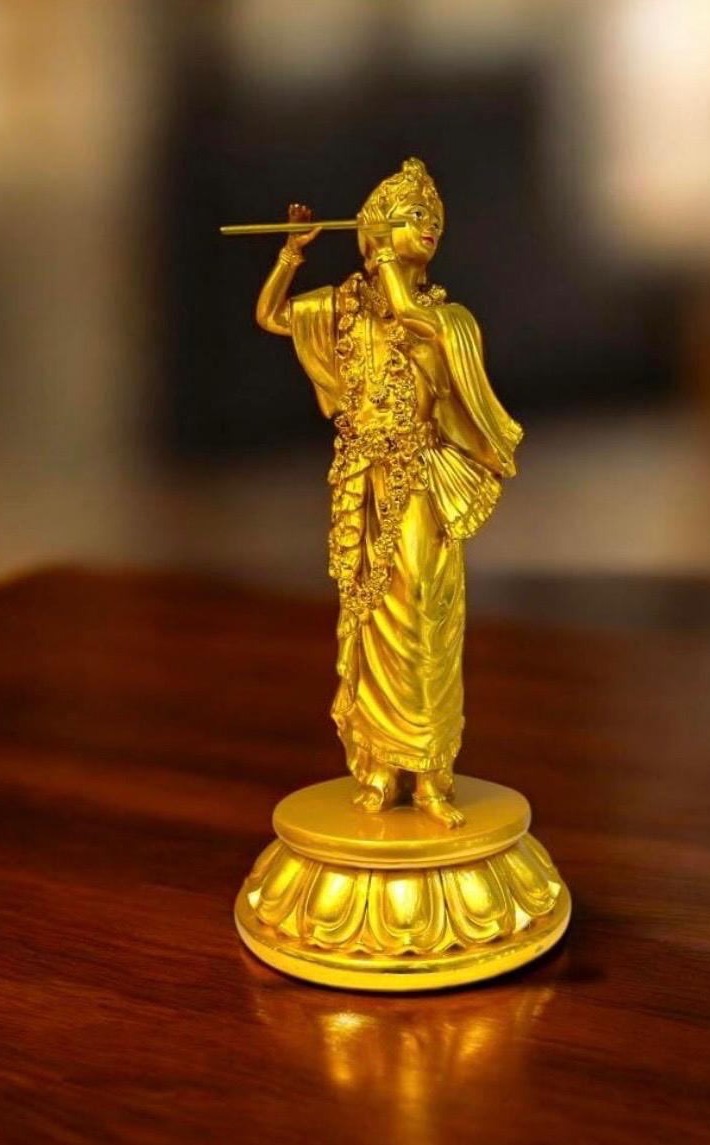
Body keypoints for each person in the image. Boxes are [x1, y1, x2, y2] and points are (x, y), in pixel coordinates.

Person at [254, 158, 522, 828]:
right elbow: (272, 315)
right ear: (374, 228)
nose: (429, 227)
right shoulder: (341, 309)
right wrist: (291, 255)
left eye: (435, 221)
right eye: (414, 216)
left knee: (424, 615)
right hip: (363, 478)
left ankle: (430, 772)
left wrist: (392, 274)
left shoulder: (445, 319)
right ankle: (377, 766)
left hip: (422, 478)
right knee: (368, 617)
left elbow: (413, 318)